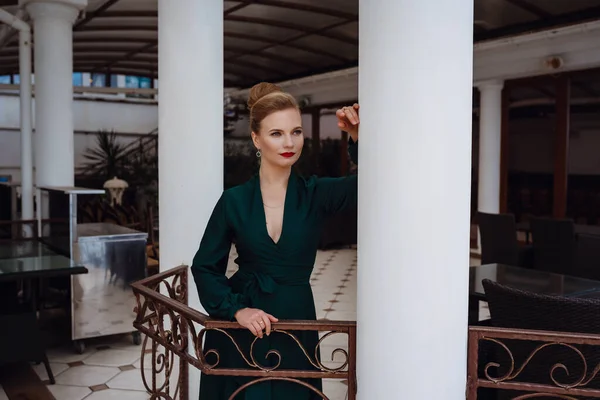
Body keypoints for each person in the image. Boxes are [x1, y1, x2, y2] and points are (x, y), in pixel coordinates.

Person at [191, 81, 359, 399]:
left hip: (295, 321)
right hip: (240, 329)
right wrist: (237, 310)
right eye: (276, 133)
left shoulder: (315, 194)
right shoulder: (234, 201)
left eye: (296, 131)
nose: (289, 142)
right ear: (256, 138)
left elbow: (372, 185)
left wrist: (356, 139)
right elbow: (204, 268)